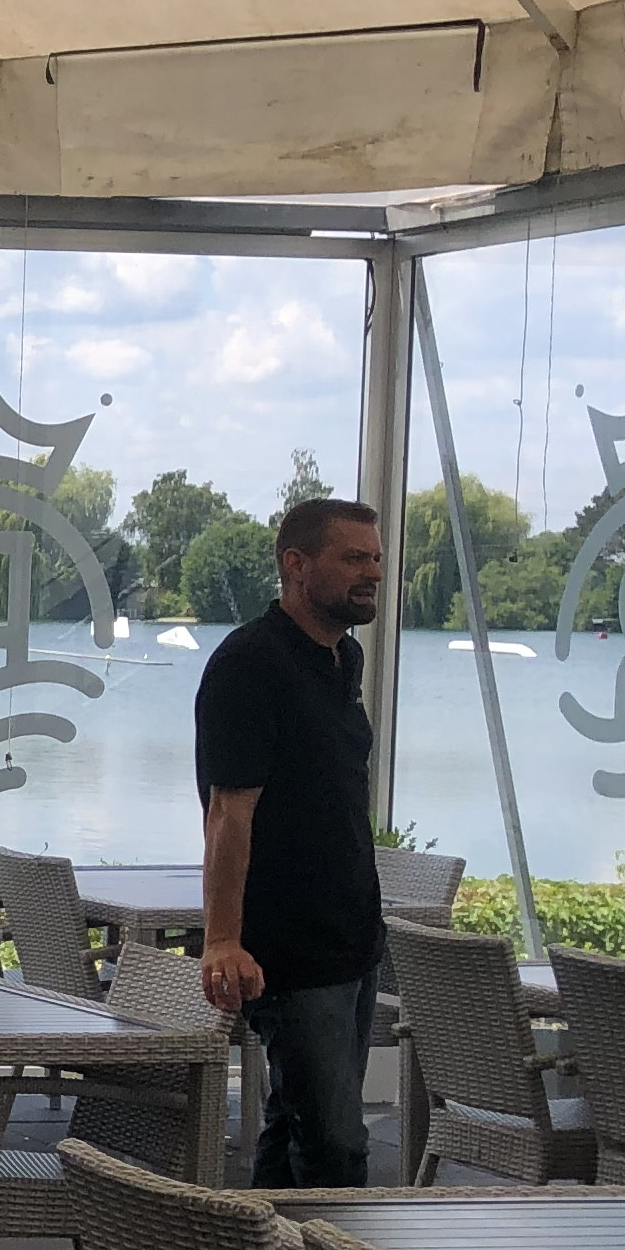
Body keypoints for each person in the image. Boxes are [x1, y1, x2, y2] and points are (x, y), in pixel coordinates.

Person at [194, 496, 387, 1185]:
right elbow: (228, 812)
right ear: (296, 564)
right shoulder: (250, 663)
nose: (373, 572)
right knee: (335, 1147)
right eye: (354, 558)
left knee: (294, 1126)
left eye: (376, 557)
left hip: (352, 938)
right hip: (290, 949)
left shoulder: (343, 658)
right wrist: (223, 939)